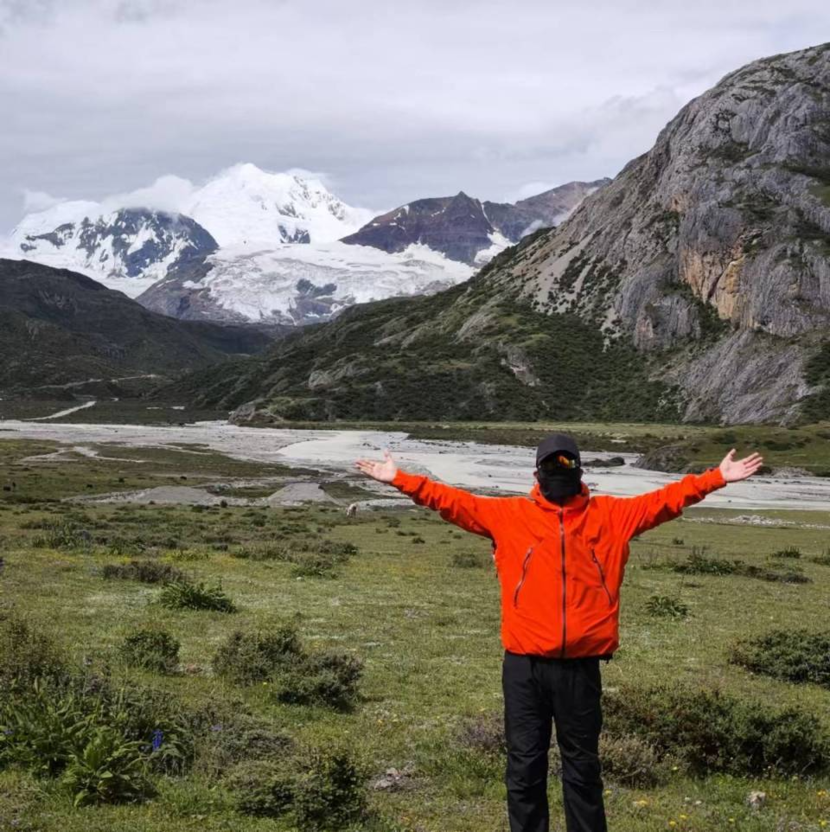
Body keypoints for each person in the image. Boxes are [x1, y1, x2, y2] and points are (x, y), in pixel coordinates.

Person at [355, 434, 763, 832]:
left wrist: (716, 478)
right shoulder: (508, 516)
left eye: (566, 463)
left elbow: (665, 501)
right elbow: (452, 501)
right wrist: (400, 479)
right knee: (524, 767)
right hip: (524, 667)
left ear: (580, 469)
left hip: (580, 668)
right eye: (552, 464)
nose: (558, 471)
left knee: (583, 769)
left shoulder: (613, 517)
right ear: (537, 473)